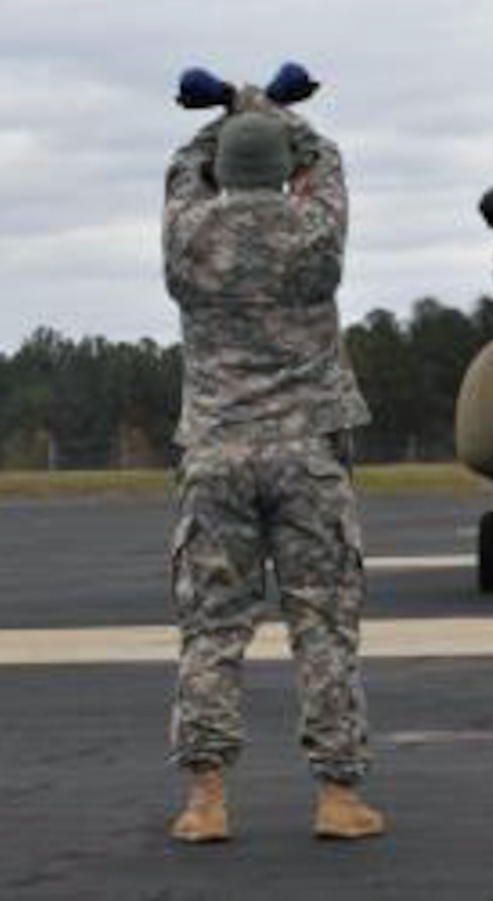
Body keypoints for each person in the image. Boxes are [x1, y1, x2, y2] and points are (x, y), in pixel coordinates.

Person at [162, 84, 382, 844]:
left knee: (212, 632)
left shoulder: (189, 236)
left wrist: (225, 108)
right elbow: (325, 160)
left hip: (218, 452)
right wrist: (279, 109)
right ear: (285, 172)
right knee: (323, 626)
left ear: (221, 172)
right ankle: (337, 798)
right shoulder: (315, 231)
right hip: (307, 454)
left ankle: (205, 800)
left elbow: (182, 169)